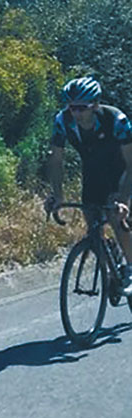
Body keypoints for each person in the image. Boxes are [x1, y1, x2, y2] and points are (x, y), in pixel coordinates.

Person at [44, 76, 132, 295]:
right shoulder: (63, 121)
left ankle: (130, 269)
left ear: (95, 104)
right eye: (72, 107)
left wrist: (122, 199)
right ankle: (109, 260)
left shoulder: (116, 120)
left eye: (82, 108)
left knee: (116, 219)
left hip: (121, 172)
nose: (76, 113)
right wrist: (58, 194)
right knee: (93, 224)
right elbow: (56, 160)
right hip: (93, 174)